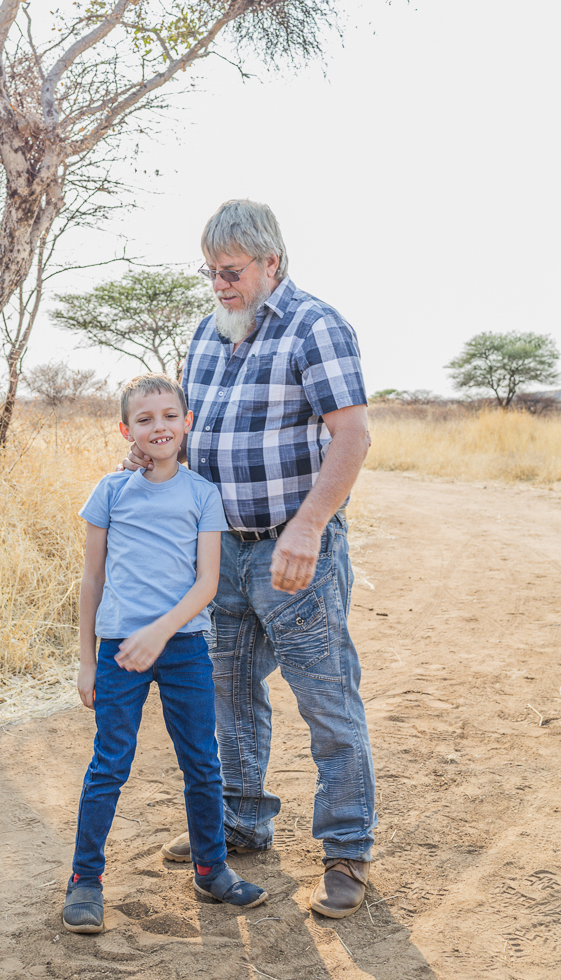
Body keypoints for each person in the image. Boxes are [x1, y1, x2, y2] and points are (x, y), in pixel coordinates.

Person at [124, 200, 377, 919]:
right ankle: (241, 825)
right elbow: (192, 434)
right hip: (222, 556)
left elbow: (351, 438)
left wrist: (307, 527)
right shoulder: (207, 334)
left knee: (327, 699)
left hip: (294, 553)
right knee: (227, 697)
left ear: (272, 263)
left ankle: (346, 849)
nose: (218, 286)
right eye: (209, 272)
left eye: (230, 272)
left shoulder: (316, 326)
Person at [63, 373, 268, 934]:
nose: (159, 427)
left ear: (187, 423)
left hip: (182, 648)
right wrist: (86, 661)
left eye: (169, 417)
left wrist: (161, 632)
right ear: (126, 429)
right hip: (118, 650)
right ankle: (85, 880)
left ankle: (211, 870)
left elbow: (206, 583)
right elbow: (91, 579)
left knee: (202, 762)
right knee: (110, 763)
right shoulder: (110, 490)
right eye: (145, 419)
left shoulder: (202, 494)